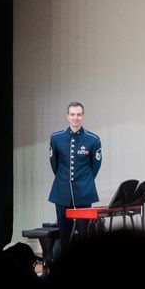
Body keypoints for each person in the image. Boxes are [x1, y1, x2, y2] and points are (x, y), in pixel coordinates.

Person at [48, 102, 102, 248]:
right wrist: (64, 179)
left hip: (84, 191)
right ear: (67, 116)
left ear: (83, 116)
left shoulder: (93, 139)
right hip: (62, 191)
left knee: (84, 234)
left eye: (78, 114)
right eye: (72, 114)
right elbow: (55, 163)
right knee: (64, 234)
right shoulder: (56, 137)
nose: (75, 118)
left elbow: (95, 165)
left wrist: (85, 181)